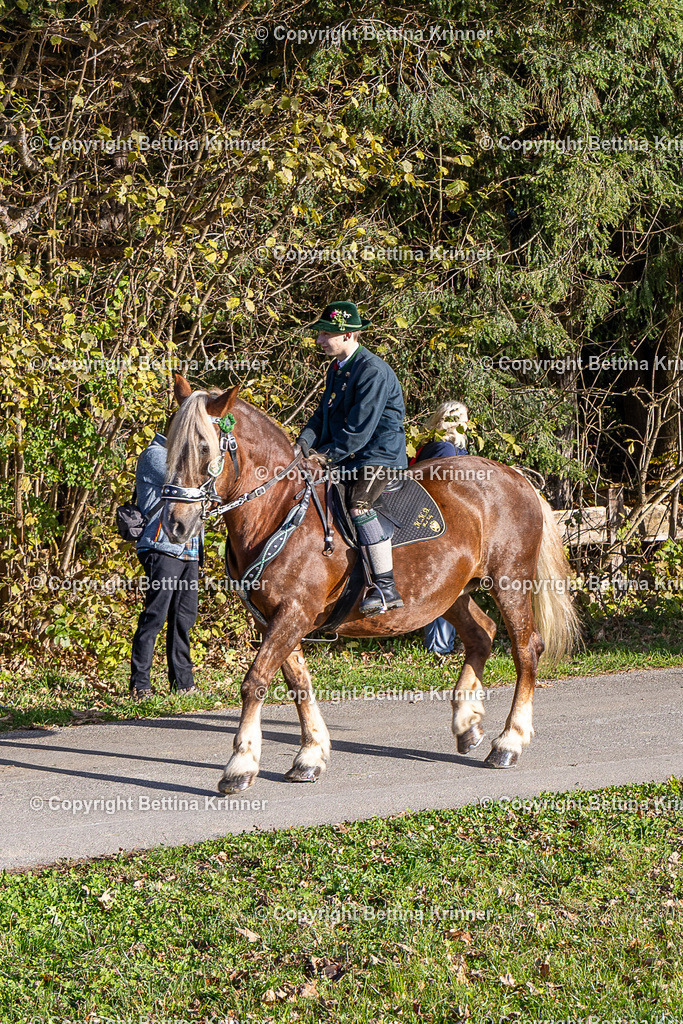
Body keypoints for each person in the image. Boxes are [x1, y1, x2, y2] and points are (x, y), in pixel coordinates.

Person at [295, 300, 407, 614]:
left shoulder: (372, 371)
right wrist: (302, 445)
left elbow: (358, 430)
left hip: (377, 457)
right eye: (320, 333)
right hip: (348, 455)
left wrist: (323, 457)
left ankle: (385, 586)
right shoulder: (338, 368)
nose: (319, 340)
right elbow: (321, 417)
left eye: (326, 334)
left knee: (359, 507)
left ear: (348, 335)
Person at [129, 429, 203, 699]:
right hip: (162, 546)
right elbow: (188, 486)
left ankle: (183, 683)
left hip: (190, 551)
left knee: (184, 618)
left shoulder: (185, 459)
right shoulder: (155, 455)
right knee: (155, 616)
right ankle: (140, 685)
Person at [410, 401, 469, 654]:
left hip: (432, 524)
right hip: (437, 526)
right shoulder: (442, 449)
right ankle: (438, 647)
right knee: (443, 584)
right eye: (460, 419)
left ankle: (444, 645)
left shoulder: (438, 447)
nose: (465, 424)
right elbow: (447, 491)